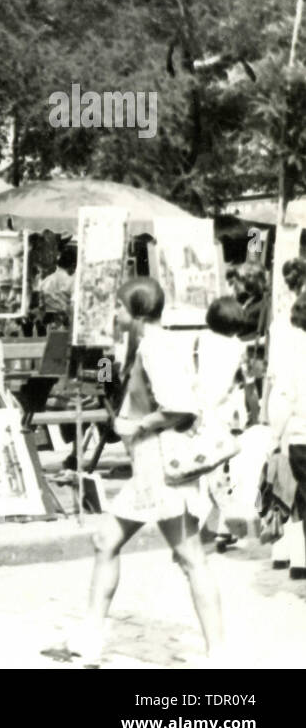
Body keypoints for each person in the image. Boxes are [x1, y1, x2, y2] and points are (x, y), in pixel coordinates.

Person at [70, 277, 224, 666]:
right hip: (146, 464)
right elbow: (109, 389)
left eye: (119, 308)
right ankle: (89, 638)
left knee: (190, 558)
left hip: (157, 463)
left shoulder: (154, 347)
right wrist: (103, 374)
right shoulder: (138, 345)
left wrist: (136, 425)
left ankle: (220, 652)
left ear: (134, 310)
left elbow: (177, 405)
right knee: (106, 540)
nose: (115, 315)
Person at [196, 297, 251, 554]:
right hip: (225, 414)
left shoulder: (202, 340)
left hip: (203, 412)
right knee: (221, 474)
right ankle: (230, 525)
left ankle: (221, 527)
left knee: (212, 474)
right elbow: (242, 380)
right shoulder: (236, 347)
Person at [268, 292, 306, 581]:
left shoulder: (294, 353)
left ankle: (298, 558)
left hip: (301, 437)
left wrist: (275, 436)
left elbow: (282, 399)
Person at [38, 245, 76, 331]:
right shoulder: (72, 281)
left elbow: (41, 306)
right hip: (66, 323)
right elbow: (74, 304)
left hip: (50, 324)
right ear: (73, 265)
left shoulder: (45, 281)